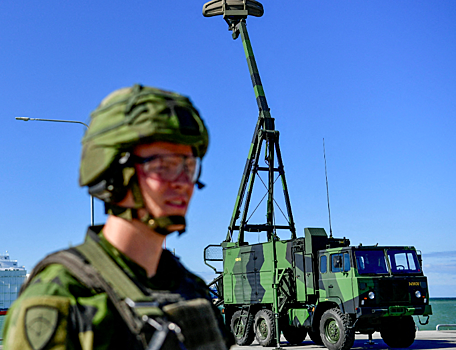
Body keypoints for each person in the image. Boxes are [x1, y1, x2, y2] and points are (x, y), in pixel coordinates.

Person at [3, 84, 233, 350]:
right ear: (115, 173)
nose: (184, 182)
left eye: (189, 166)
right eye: (164, 166)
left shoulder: (191, 289)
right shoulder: (62, 299)